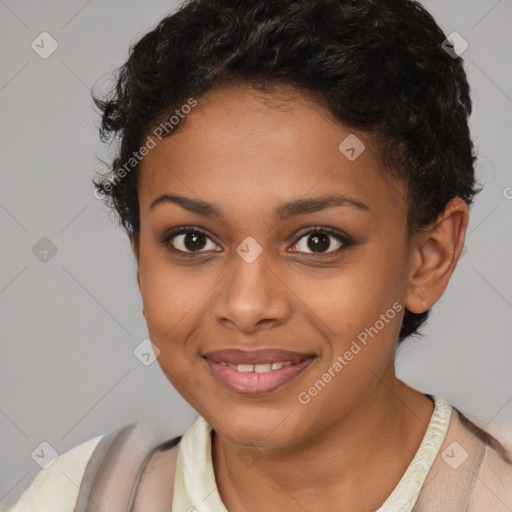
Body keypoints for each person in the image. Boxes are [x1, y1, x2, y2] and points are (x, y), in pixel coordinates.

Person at [8, 0, 512, 510]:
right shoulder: (81, 497)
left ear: (429, 256)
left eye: (318, 241)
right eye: (192, 240)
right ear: (141, 259)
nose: (247, 306)